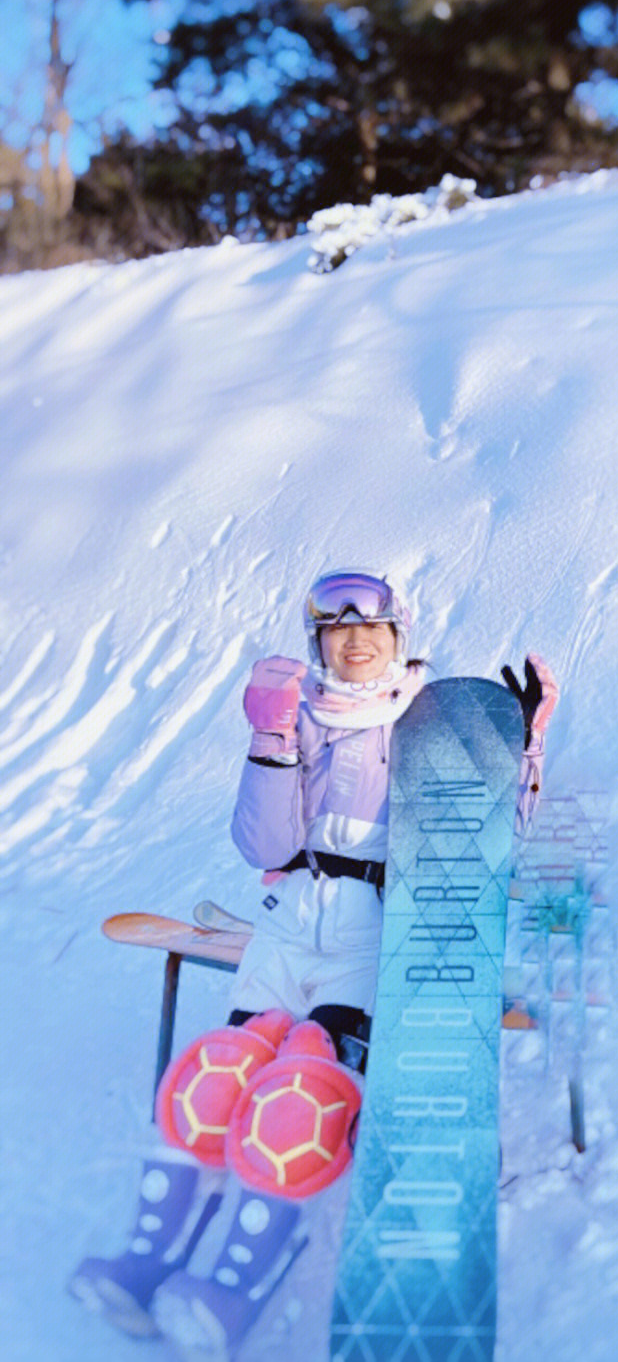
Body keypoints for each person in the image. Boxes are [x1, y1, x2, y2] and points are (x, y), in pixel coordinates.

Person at [69, 569, 558, 1357]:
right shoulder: (297, 718)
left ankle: (227, 1295)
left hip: (371, 940)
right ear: (319, 640)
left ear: (400, 637)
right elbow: (265, 848)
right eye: (337, 628)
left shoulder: (433, 725)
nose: (356, 639)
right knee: (216, 1077)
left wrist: (520, 747)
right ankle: (145, 1261)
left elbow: (491, 848)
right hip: (285, 925)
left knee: (299, 1093)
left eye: (373, 627)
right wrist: (267, 741)